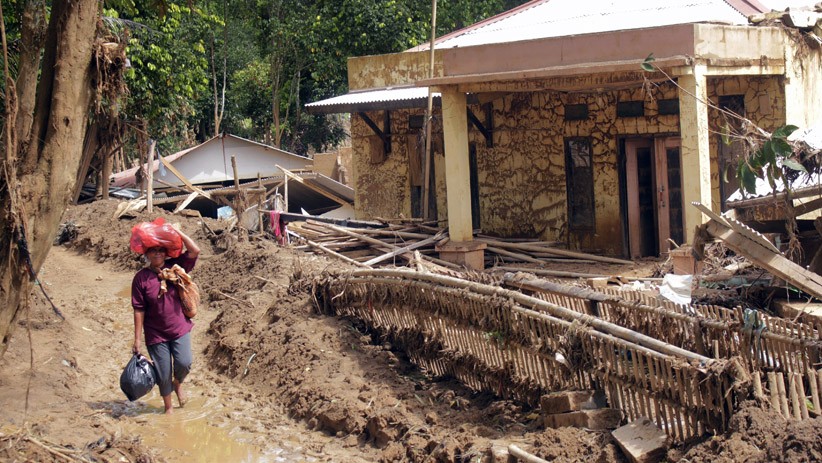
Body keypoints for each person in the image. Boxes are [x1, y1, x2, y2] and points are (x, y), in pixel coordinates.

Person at [131, 228, 200, 414]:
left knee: (184, 363)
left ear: (166, 252)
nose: (157, 254)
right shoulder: (141, 279)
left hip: (179, 328)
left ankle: (177, 384)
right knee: (163, 372)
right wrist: (137, 339)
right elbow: (139, 309)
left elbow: (195, 251)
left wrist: (178, 232)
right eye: (153, 250)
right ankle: (168, 408)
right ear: (146, 253)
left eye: (161, 250)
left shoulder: (175, 268)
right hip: (155, 333)